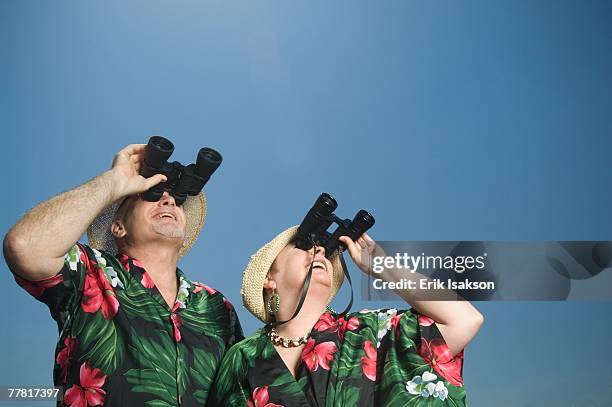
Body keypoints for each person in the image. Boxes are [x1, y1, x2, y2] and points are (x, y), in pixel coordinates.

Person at [3, 143, 243, 406]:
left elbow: (241, 391)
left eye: (177, 199)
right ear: (118, 227)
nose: (170, 200)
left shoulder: (217, 307)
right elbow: (25, 246)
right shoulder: (91, 272)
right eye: (151, 195)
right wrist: (115, 181)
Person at [210, 225, 484, 406]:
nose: (317, 250)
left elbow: (464, 319)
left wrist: (382, 268)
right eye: (302, 245)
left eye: (322, 248)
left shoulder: (370, 333)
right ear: (269, 279)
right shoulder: (242, 357)